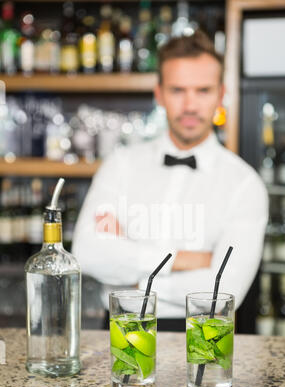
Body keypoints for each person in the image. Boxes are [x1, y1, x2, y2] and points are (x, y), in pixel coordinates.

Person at [72, 30, 268, 326]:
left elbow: (224, 290)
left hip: (201, 336)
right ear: (159, 94)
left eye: (203, 90)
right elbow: (86, 251)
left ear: (221, 95)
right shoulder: (120, 164)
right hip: (118, 330)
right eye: (178, 90)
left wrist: (134, 285)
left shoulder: (244, 184)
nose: (190, 105)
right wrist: (180, 259)